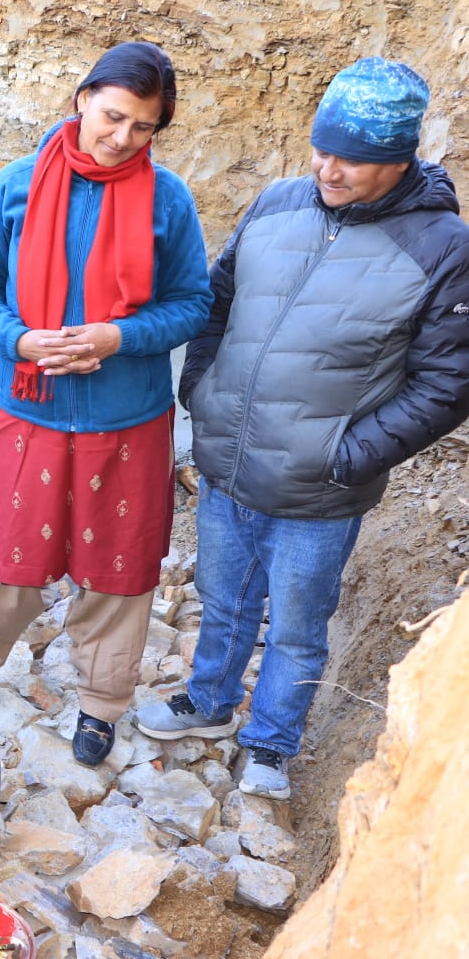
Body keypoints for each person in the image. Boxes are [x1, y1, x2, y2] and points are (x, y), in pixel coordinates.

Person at [136, 58, 469, 799]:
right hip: (230, 457)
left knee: (297, 624)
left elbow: (447, 385)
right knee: (222, 598)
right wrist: (202, 389)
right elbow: (217, 300)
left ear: (400, 158)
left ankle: (271, 744)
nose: (328, 169)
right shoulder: (279, 201)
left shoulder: (444, 246)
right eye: (322, 150)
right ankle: (209, 702)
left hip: (321, 488)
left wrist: (346, 457)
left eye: (351, 159)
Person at [0, 42, 212, 767]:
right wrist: (21, 340)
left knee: (118, 566)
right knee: (6, 555)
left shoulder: (168, 200)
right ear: (82, 100)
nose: (123, 137)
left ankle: (101, 701)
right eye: (113, 116)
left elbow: (193, 303)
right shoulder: (16, 184)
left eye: (143, 126)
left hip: (128, 417)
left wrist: (117, 337)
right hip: (28, 407)